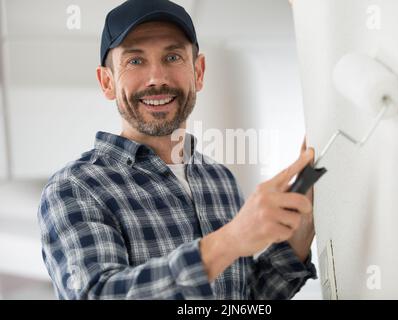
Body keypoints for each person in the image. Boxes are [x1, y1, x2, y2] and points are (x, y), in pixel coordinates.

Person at [37, 0, 317, 299]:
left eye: (172, 57)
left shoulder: (218, 180)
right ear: (107, 82)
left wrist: (304, 226)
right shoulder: (76, 188)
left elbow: (243, 300)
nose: (157, 78)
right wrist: (229, 241)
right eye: (135, 61)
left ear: (198, 72)